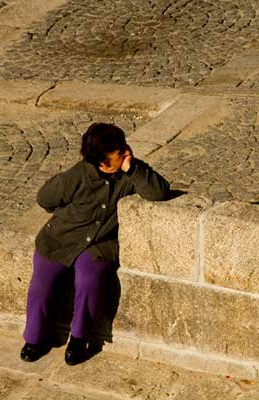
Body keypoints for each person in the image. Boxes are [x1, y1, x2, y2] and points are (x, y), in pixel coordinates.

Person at [20, 122, 170, 365]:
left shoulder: (129, 171)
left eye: (123, 147)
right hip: (60, 239)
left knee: (90, 281)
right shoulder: (76, 176)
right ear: (101, 160)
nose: (125, 152)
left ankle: (79, 339)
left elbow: (159, 192)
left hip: (98, 245)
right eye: (118, 151)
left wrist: (133, 169)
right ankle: (35, 338)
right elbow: (45, 199)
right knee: (42, 286)